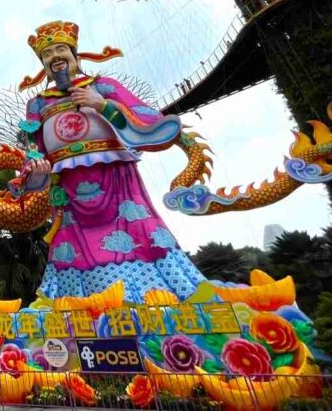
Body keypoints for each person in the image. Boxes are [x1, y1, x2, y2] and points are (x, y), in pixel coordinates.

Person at [17, 20, 207, 303]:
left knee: (139, 234)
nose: (54, 57)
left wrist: (102, 105)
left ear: (75, 55)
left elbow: (147, 118)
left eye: (60, 50)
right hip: (68, 191)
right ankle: (75, 304)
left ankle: (155, 296)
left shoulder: (102, 86)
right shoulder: (38, 104)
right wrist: (36, 170)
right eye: (47, 54)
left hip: (116, 180)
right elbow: (35, 150)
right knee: (71, 249)